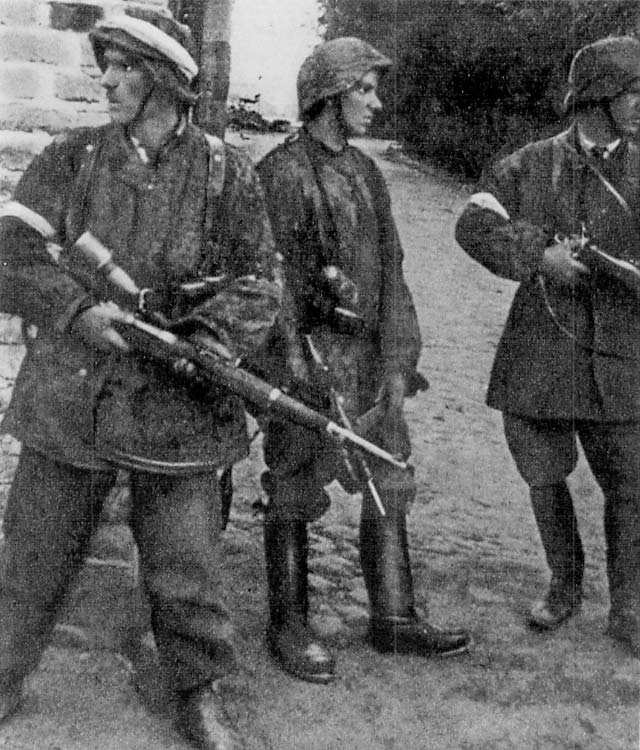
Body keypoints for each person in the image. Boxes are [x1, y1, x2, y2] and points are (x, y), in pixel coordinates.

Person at [0, 8, 281, 748]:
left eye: (125, 67)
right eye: (106, 65)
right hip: (73, 391)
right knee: (31, 555)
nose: (109, 80)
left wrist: (208, 339)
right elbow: (11, 256)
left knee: (186, 568)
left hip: (179, 402)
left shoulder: (228, 174)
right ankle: (2, 674)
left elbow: (261, 281)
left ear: (166, 82)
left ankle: (196, 690)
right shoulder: (72, 159)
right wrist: (75, 310)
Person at [255, 37, 471, 685]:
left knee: (390, 477)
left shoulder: (367, 172)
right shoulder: (282, 174)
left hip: (369, 357)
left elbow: (394, 273)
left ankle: (395, 615)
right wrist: (296, 363)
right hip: (308, 359)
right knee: (294, 482)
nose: (376, 103)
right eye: (364, 90)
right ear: (328, 96)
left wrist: (400, 360)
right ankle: (289, 624)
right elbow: (271, 284)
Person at [455, 35, 640, 658]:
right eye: (633, 93)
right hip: (542, 353)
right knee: (543, 474)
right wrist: (538, 255)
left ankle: (632, 608)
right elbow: (474, 222)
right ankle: (563, 587)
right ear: (598, 98)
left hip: (624, 359)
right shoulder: (531, 164)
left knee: (633, 485)